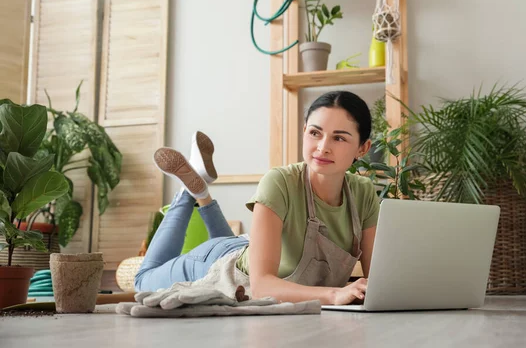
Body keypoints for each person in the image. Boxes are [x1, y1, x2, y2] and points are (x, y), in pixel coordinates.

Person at [134, 90, 380, 306]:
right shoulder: (280, 181)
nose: (322, 147)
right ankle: (190, 193)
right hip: (219, 265)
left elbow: (377, 278)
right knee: (143, 280)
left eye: (339, 138)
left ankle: (200, 189)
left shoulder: (363, 193)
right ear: (304, 131)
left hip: (250, 249)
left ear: (363, 148)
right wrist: (335, 295)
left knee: (241, 250)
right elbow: (261, 286)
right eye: (315, 133)